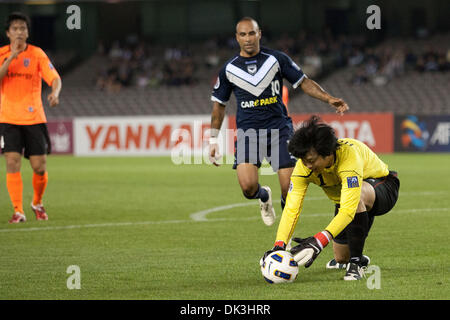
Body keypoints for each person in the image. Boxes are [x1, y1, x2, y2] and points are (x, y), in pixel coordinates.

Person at [209, 17, 349, 226]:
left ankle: (286, 239)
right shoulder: (229, 69)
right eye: (243, 34)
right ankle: (263, 196)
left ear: (260, 34)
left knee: (289, 188)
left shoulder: (276, 59)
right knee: (248, 188)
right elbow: (219, 106)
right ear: (236, 38)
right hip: (248, 133)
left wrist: (329, 98)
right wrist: (213, 140)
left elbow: (304, 82)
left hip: (279, 130)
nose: (248, 38)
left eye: (252, 33)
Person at [262, 115, 400, 280]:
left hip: (383, 186)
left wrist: (319, 241)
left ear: (327, 153)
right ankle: (355, 258)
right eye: (303, 161)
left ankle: (356, 264)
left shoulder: (349, 157)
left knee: (357, 195)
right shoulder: (304, 167)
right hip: (346, 198)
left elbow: (348, 209)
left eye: (311, 160)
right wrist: (279, 245)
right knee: (341, 257)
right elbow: (292, 208)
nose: (307, 166)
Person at [0, 12, 62, 223]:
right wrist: (12, 57)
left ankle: (37, 203)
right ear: (8, 33)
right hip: (8, 117)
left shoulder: (37, 54)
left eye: (23, 28)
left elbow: (54, 78)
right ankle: (18, 211)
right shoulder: (1, 54)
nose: (19, 32)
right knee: (12, 161)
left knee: (39, 166)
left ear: (27, 32)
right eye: (15, 28)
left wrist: (55, 92)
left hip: (34, 116)